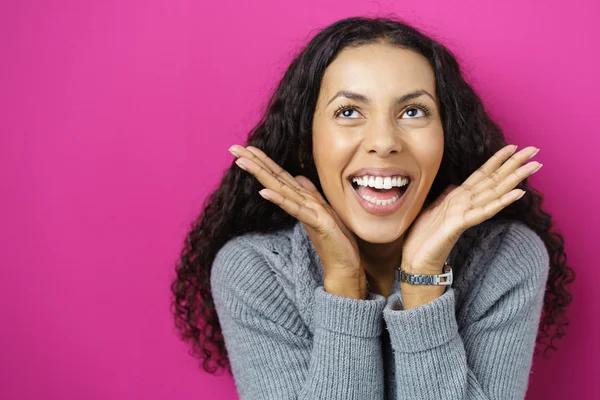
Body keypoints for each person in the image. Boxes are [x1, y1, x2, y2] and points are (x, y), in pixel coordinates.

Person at [170, 16, 575, 400]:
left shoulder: (506, 258)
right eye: (348, 112)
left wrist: (422, 280)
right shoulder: (254, 270)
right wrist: (344, 283)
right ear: (304, 142)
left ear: (446, 138)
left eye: (412, 111)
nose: (383, 141)